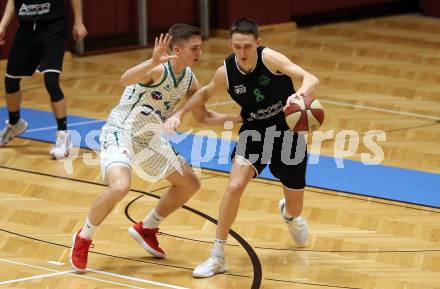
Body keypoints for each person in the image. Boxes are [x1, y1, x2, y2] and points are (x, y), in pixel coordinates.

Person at [70, 24, 242, 271]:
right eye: (194, 49)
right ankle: (83, 238)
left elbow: (203, 117)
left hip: (149, 140)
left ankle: (146, 228)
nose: (199, 53)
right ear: (177, 49)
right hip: (122, 132)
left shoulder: (189, 80)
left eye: (200, 48)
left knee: (190, 183)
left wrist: (238, 118)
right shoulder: (158, 70)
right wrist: (151, 61)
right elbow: (124, 79)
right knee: (120, 187)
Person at [165, 17, 319, 278]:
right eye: (237, 47)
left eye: (247, 46)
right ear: (231, 44)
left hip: (287, 133)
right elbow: (203, 94)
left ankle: (290, 215)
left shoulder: (270, 58)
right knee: (234, 186)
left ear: (257, 43)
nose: (242, 52)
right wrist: (178, 114)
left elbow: (309, 77)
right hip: (254, 133)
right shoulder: (226, 70)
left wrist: (300, 93)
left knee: (295, 207)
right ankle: (217, 255)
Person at [0, 0, 87, 158]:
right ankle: (14, 123)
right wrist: (3, 24)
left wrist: (79, 21)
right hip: (26, 29)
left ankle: (63, 134)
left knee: (51, 80)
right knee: (10, 80)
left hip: (53, 28)